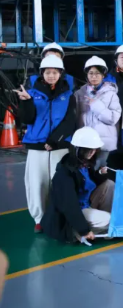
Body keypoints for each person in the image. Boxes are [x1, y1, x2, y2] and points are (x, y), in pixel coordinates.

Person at [15, 56, 76, 232]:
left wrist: (55, 140)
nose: (51, 75)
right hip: (37, 148)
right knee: (36, 184)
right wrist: (26, 102)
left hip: (60, 147)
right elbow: (27, 119)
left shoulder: (68, 95)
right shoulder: (31, 93)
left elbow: (70, 121)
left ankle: (60, 216)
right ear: (42, 73)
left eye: (55, 72)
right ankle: (39, 219)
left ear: (60, 74)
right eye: (47, 72)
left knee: (60, 183)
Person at [41, 127, 114, 242]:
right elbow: (69, 206)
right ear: (78, 149)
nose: (92, 153)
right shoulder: (64, 174)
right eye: (89, 150)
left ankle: (101, 219)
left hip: (85, 205)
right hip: (72, 215)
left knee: (109, 184)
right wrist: (83, 230)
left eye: (94, 150)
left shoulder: (84, 164)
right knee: (109, 220)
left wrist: (100, 174)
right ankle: (77, 232)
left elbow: (89, 183)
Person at [74, 56, 121, 169]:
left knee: (101, 173)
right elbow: (74, 119)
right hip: (84, 143)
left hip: (103, 144)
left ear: (103, 75)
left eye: (97, 73)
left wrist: (96, 105)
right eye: (91, 73)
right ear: (86, 75)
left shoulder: (111, 94)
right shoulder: (79, 94)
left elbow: (113, 119)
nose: (94, 77)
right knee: (85, 174)